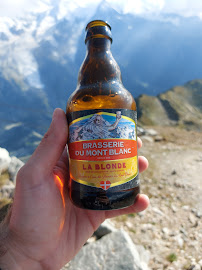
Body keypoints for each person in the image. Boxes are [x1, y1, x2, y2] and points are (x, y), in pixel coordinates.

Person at [0, 108, 149, 270]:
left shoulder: (100, 121)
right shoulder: (89, 124)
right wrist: (20, 250)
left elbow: (112, 129)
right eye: (98, 119)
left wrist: (19, 253)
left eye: (100, 119)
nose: (99, 120)